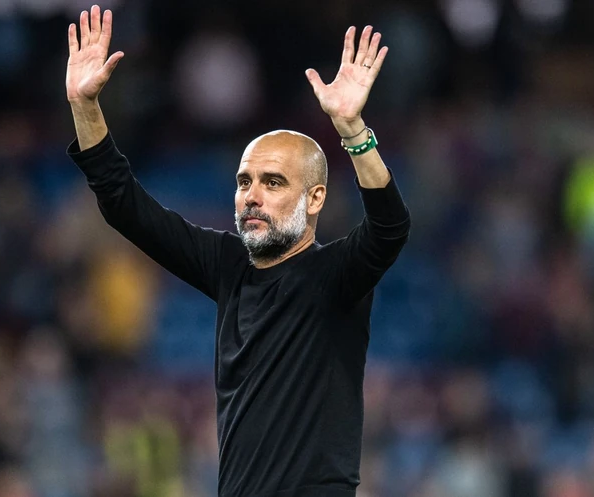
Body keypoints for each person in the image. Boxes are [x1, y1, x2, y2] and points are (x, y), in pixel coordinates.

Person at [65, 6, 410, 497]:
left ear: (315, 199)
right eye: (244, 181)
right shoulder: (229, 266)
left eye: (273, 182)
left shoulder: (336, 275)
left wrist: (352, 130)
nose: (252, 195)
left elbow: (390, 227)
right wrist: (85, 106)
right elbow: (126, 205)